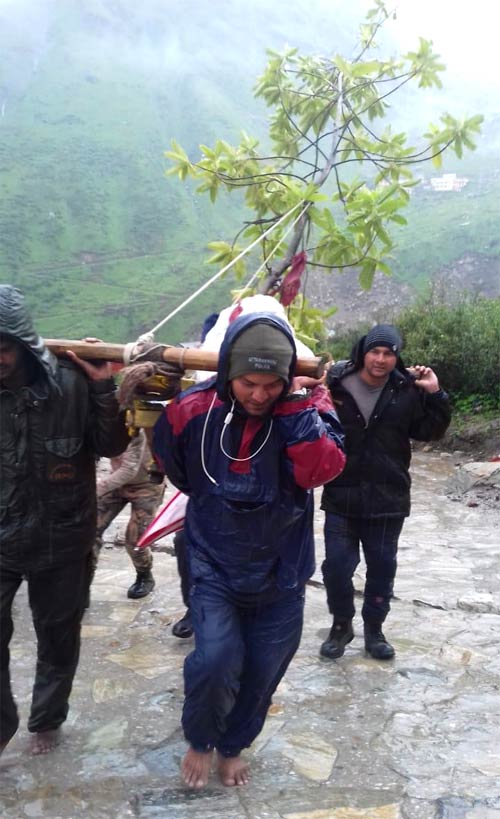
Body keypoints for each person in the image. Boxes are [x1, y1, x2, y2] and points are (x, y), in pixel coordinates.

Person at [152, 311, 345, 789]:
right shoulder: (193, 408)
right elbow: (175, 464)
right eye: (247, 383)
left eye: (270, 385)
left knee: (262, 670)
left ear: (286, 380)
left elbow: (320, 471)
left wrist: (295, 406)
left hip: (282, 570)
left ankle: (234, 744)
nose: (259, 395)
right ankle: (200, 738)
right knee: (215, 659)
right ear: (227, 372)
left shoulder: (309, 408)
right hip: (213, 562)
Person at [0, 284, 129, 756]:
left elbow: (113, 446)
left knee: (58, 635)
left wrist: (101, 387)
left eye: (4, 348)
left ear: (24, 343)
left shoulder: (72, 386)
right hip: (1, 539)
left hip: (63, 537)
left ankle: (48, 718)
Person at [319, 323, 451, 662]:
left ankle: (374, 631)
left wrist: (435, 394)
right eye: (374, 352)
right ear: (363, 352)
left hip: (387, 496)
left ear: (396, 356)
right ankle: (341, 624)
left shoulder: (407, 389)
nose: (380, 359)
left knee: (381, 567)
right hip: (341, 492)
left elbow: (429, 431)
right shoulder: (335, 383)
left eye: (388, 353)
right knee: (336, 566)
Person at [92, 428, 164, 600]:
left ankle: (144, 575)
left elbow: (128, 470)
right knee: (90, 529)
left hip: (147, 484)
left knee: (135, 539)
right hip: (117, 482)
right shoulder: (103, 423)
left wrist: (95, 489)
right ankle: (83, 580)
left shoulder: (133, 424)